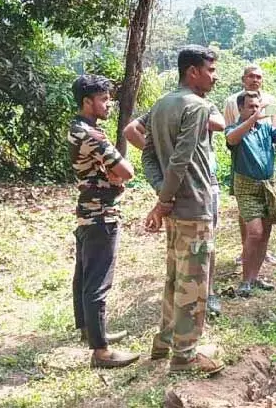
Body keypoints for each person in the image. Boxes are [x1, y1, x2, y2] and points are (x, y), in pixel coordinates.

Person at [141, 45, 224, 374]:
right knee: (194, 281)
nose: (214, 77)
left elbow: (148, 156)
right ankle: (185, 355)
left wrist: (162, 195)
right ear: (193, 72)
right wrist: (164, 201)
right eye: (210, 70)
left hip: (176, 208)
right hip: (193, 206)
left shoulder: (160, 104)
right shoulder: (197, 106)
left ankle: (164, 342)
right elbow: (181, 158)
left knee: (175, 277)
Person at [124, 105, 225, 317]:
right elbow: (131, 131)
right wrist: (165, 159)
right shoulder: (168, 108)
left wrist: (188, 117)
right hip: (192, 185)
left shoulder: (201, 107)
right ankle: (191, 300)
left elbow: (220, 124)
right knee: (191, 242)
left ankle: (205, 292)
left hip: (196, 182)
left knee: (201, 241)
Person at [67, 74, 139, 368]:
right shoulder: (92, 135)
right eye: (104, 99)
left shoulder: (77, 128)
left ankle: (89, 330)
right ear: (88, 102)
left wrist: (113, 173)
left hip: (87, 211)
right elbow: (127, 171)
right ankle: (101, 351)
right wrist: (118, 174)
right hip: (101, 214)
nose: (109, 104)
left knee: (85, 275)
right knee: (98, 281)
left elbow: (114, 171)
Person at [225, 91, 276, 297]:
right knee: (254, 232)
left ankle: (255, 277)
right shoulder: (234, 128)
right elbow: (231, 139)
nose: (256, 110)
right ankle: (245, 280)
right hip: (246, 188)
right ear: (240, 109)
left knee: (265, 233)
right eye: (251, 107)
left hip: (268, 185)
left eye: (257, 106)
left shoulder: (265, 128)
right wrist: (254, 118)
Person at [223, 65, 276, 266]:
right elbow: (230, 129)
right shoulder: (232, 101)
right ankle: (245, 248)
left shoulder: (270, 100)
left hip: (265, 155)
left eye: (258, 77)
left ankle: (263, 251)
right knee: (245, 207)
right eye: (251, 76)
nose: (255, 80)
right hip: (242, 156)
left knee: (266, 206)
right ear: (243, 79)